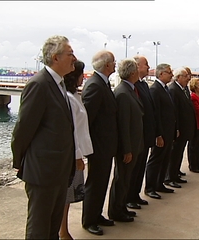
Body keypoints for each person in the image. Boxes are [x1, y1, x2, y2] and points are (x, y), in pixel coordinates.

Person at [11, 35, 77, 239]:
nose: (74, 58)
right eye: (70, 53)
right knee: (39, 229)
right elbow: (23, 129)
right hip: (43, 172)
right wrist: (20, 161)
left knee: (52, 229)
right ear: (55, 58)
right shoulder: (39, 85)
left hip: (58, 171)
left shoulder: (59, 84)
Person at [81, 50, 118, 235]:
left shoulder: (103, 84)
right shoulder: (95, 85)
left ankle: (97, 214)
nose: (115, 64)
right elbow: (87, 118)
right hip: (98, 146)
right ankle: (89, 220)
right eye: (113, 61)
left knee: (102, 182)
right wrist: (89, 146)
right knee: (95, 183)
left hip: (106, 145)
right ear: (106, 65)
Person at [59, 60, 93, 240]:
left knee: (69, 196)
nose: (83, 78)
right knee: (65, 196)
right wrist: (78, 156)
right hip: (73, 154)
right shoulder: (69, 98)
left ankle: (63, 229)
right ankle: (63, 231)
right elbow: (71, 130)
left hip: (77, 152)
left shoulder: (75, 95)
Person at [108, 58, 144, 222]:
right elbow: (123, 124)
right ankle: (116, 211)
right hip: (128, 146)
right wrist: (127, 149)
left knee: (126, 179)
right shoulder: (122, 92)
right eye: (136, 69)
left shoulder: (130, 90)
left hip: (135, 143)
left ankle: (122, 207)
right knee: (121, 179)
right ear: (131, 73)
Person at [126, 55, 156, 210]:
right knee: (132, 170)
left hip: (145, 135)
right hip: (137, 136)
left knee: (140, 168)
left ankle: (135, 194)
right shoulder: (133, 86)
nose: (149, 67)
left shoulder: (143, 85)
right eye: (146, 65)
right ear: (137, 66)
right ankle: (128, 197)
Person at [144, 63, 177, 199]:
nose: (171, 74)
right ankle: (150, 187)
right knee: (156, 159)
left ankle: (160, 183)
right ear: (161, 74)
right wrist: (158, 134)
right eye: (169, 72)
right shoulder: (155, 90)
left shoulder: (165, 89)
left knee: (165, 158)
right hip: (161, 132)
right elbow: (155, 114)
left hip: (168, 131)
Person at [164, 67, 196, 188]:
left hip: (185, 128)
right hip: (179, 128)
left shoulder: (184, 89)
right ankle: (169, 177)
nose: (188, 78)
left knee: (179, 153)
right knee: (174, 153)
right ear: (179, 77)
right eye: (185, 76)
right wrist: (176, 128)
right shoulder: (173, 89)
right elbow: (174, 111)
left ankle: (175, 173)